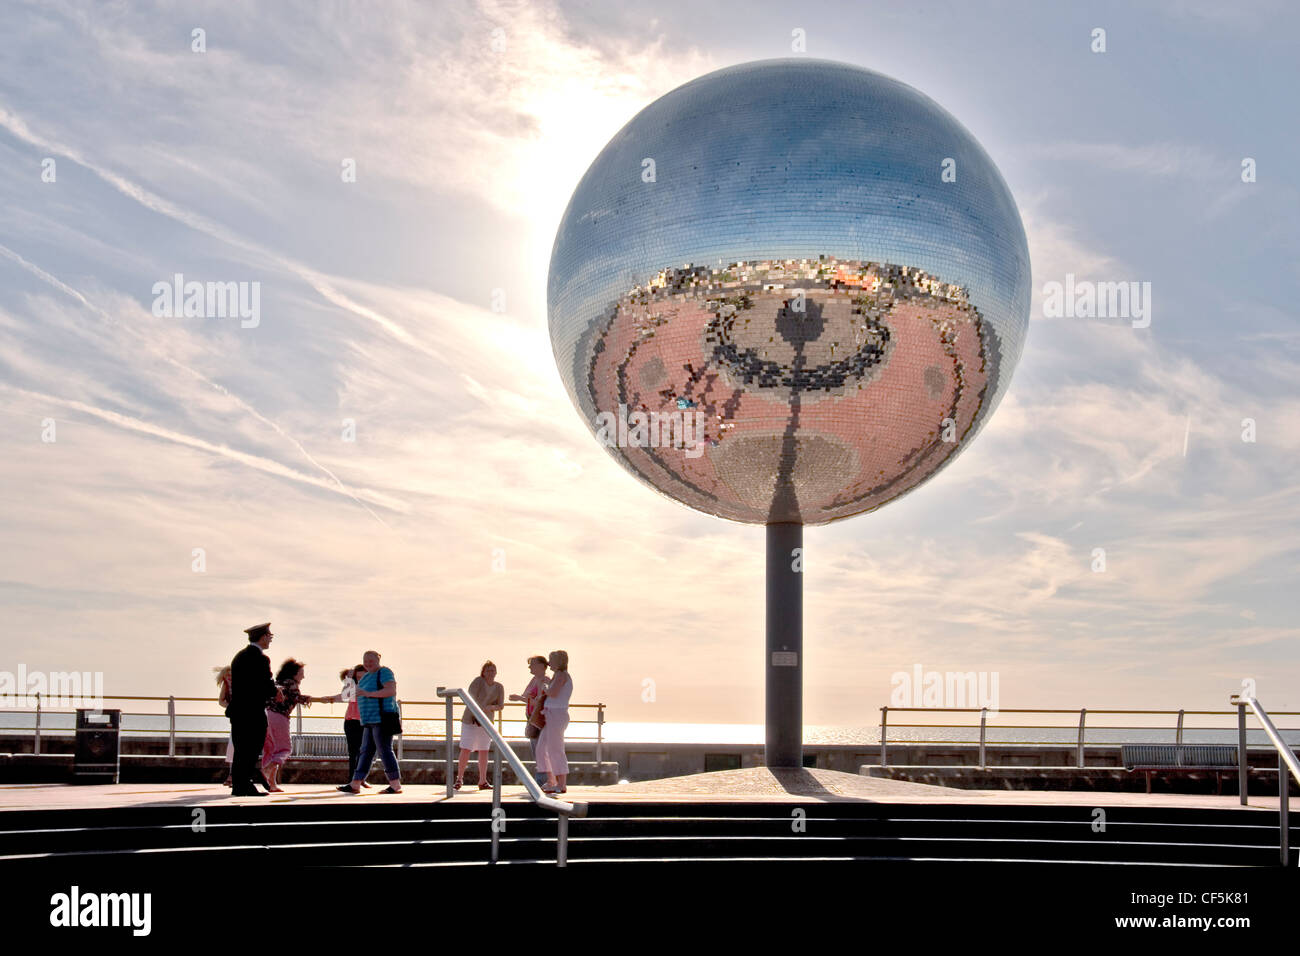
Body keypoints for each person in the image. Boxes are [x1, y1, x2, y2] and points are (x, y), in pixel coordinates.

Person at [226, 623, 284, 797]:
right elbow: (264, 682)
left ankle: (239, 785)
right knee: (251, 749)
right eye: (270, 637)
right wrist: (276, 692)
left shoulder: (239, 656)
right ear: (263, 637)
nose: (270, 640)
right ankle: (245, 785)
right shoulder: (261, 658)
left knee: (241, 749)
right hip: (252, 711)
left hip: (238, 711)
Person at [344, 651, 402, 794]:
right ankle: (355, 783)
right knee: (366, 751)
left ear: (378, 660)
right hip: (369, 720)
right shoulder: (365, 678)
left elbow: (391, 691)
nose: (368, 663)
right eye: (365, 660)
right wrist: (349, 679)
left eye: (371, 660)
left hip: (381, 718)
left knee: (384, 751)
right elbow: (348, 696)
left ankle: (395, 785)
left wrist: (368, 694)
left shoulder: (385, 672)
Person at [261, 659, 317, 792]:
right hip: (279, 717)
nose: (303, 676)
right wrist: (309, 699)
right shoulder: (292, 683)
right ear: (294, 673)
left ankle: (271, 784)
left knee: (270, 750)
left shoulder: (277, 683)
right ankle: (267, 770)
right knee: (284, 749)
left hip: (266, 715)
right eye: (301, 673)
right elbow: (297, 697)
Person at [455, 661, 505, 791]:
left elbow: (500, 705)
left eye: (493, 670)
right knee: (466, 748)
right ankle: (459, 778)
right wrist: (480, 709)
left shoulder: (499, 687)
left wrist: (490, 708)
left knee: (484, 750)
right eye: (488, 670)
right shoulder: (478, 681)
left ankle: (482, 780)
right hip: (471, 719)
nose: (491, 673)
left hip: (486, 722)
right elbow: (470, 698)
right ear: (483, 672)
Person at [322, 665, 368, 788]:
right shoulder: (352, 687)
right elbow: (345, 695)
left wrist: (350, 680)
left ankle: (361, 779)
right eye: (358, 677)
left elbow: (347, 694)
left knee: (365, 752)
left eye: (363, 677)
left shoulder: (368, 688)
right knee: (353, 752)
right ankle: (352, 780)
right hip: (351, 722)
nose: (361, 679)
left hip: (365, 723)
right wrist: (349, 679)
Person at [537, 650, 572, 794]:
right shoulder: (557, 676)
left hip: (556, 715)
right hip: (551, 715)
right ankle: (552, 780)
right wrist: (548, 682)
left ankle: (561, 784)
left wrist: (544, 687)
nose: (548, 663)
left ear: (558, 661)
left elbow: (553, 693)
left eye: (551, 660)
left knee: (555, 749)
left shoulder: (562, 675)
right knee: (541, 748)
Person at [508, 655, 548, 766]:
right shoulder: (534, 679)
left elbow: (540, 703)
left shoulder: (544, 681)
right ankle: (543, 777)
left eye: (532, 664)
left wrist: (520, 698)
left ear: (541, 666)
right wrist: (522, 698)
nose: (529, 667)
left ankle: (544, 778)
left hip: (539, 719)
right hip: (531, 717)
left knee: (540, 751)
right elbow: (526, 696)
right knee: (536, 750)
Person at [215, 665, 233, 787]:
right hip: (236, 716)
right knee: (234, 746)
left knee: (236, 746)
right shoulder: (227, 684)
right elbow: (221, 700)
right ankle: (232, 775)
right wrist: (230, 707)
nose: (229, 676)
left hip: (244, 715)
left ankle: (233, 776)